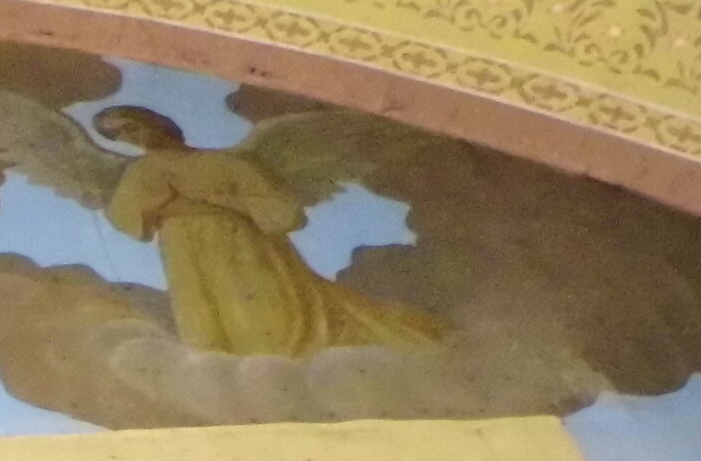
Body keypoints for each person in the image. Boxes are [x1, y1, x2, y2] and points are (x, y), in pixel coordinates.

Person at [97, 106, 444, 357]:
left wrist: (220, 201)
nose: (129, 138)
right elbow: (123, 217)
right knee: (205, 316)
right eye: (119, 135)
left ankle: (285, 367)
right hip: (185, 252)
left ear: (154, 122)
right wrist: (164, 203)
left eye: (132, 127)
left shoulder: (223, 163)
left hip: (242, 246)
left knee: (268, 313)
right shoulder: (140, 173)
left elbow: (281, 210)